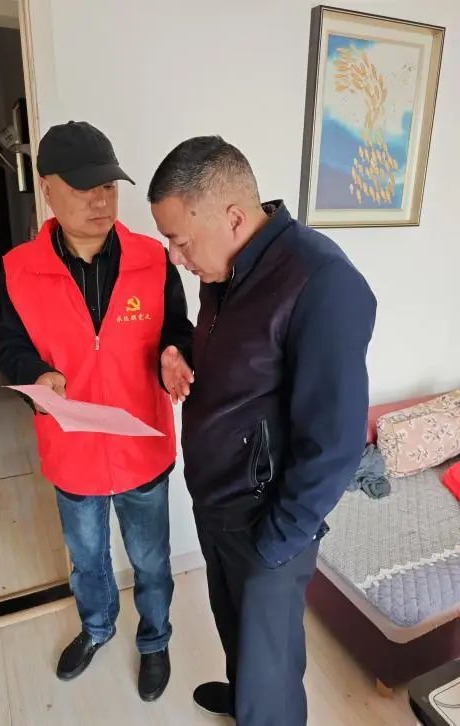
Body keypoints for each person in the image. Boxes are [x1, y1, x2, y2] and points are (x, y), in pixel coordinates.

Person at [148, 136, 377, 725]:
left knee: (269, 665)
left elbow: (336, 441)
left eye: (180, 241)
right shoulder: (225, 269)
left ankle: (263, 709)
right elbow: (237, 366)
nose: (176, 257)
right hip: (218, 499)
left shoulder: (321, 281)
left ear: (232, 217)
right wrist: (176, 351)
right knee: (236, 628)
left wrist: (279, 539)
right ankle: (244, 696)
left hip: (267, 518)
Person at [0, 121, 194, 701]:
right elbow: (10, 348)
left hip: (142, 444)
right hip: (72, 448)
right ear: (47, 188)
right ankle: (98, 628)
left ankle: (154, 641)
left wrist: (175, 353)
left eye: (108, 186)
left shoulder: (153, 259)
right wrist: (36, 374)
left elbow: (178, 328)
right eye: (84, 187)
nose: (101, 200)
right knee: (87, 561)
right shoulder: (17, 270)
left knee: (151, 560)